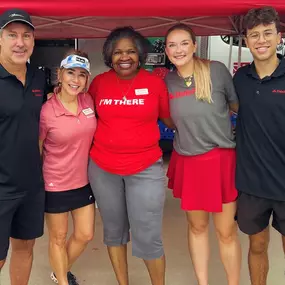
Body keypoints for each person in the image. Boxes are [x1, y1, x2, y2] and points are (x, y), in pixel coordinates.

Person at [88, 26, 173, 285]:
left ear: (140, 55)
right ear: (109, 56)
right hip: (103, 168)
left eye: (131, 52)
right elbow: (83, 113)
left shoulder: (155, 84)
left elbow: (169, 119)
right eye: (118, 52)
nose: (124, 57)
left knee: (148, 235)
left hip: (145, 168)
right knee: (114, 233)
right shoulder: (99, 83)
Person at [164, 24, 241, 285]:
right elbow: (170, 120)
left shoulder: (216, 71)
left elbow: (235, 106)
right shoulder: (167, 81)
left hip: (220, 160)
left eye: (184, 43)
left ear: (195, 45)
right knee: (197, 227)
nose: (178, 49)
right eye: (172, 45)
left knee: (226, 231)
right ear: (166, 50)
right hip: (188, 160)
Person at [234, 6, 285, 285]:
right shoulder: (240, 79)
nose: (261, 40)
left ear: (279, 36)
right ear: (246, 40)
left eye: (267, 33)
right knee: (257, 246)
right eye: (254, 35)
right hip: (252, 185)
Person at [39, 50, 97, 285]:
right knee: (58, 238)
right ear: (60, 75)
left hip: (83, 181)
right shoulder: (47, 111)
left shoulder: (88, 101)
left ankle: (60, 270)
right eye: (71, 73)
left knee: (85, 234)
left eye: (82, 75)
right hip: (55, 182)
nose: (76, 80)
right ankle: (62, 280)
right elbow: (38, 147)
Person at [0, 8, 47, 285]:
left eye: (26, 35)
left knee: (24, 248)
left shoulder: (38, 77)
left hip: (31, 184)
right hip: (0, 187)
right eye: (12, 35)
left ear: (33, 40)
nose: (20, 42)